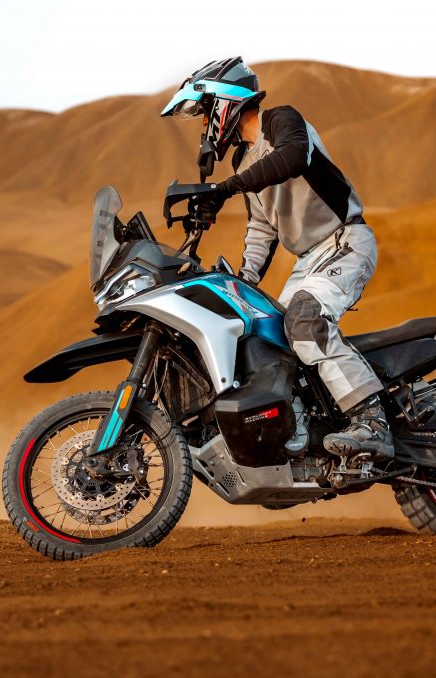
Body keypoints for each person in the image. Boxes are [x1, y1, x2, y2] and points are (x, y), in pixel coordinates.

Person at [161, 56, 392, 458]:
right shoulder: (242, 160)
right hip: (309, 259)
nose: (204, 126)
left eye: (204, 113)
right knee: (266, 337)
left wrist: (227, 188)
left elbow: (293, 157)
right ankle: (303, 432)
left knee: (305, 320)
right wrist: (244, 280)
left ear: (224, 102)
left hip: (345, 241)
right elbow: (262, 228)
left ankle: (373, 421)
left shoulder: (281, 121)